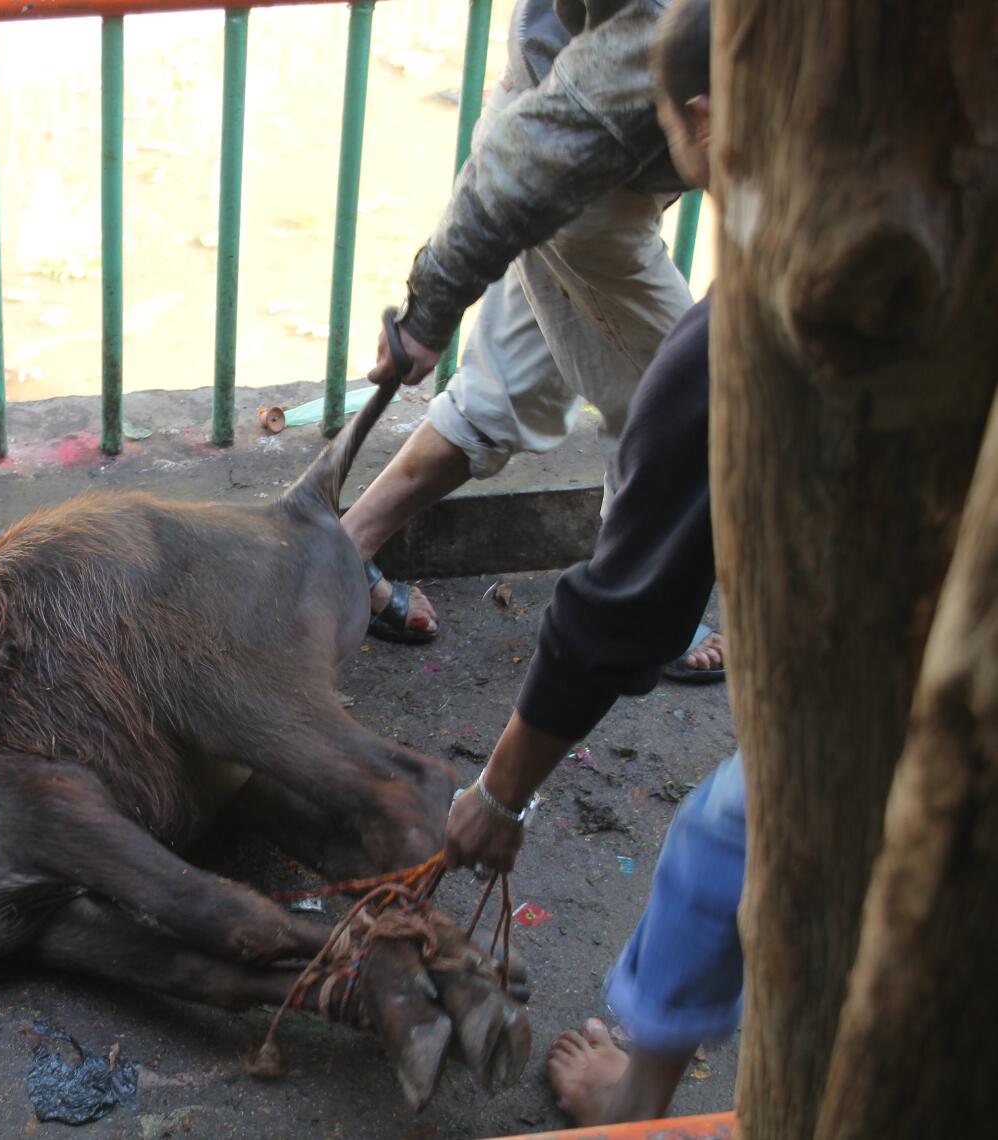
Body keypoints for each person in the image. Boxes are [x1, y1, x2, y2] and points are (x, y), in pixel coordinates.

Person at [439, 0, 737, 1123]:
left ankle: (641, 1092)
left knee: (727, 831)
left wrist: (499, 793)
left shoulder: (723, 346)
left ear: (697, 125)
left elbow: (626, 608)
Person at [350, 0, 721, 680]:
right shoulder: (665, 19)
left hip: (583, 155)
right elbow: (536, 155)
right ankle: (640, 606)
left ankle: (345, 553)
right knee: (687, 410)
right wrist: (429, 312)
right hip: (571, 177)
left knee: (507, 393)